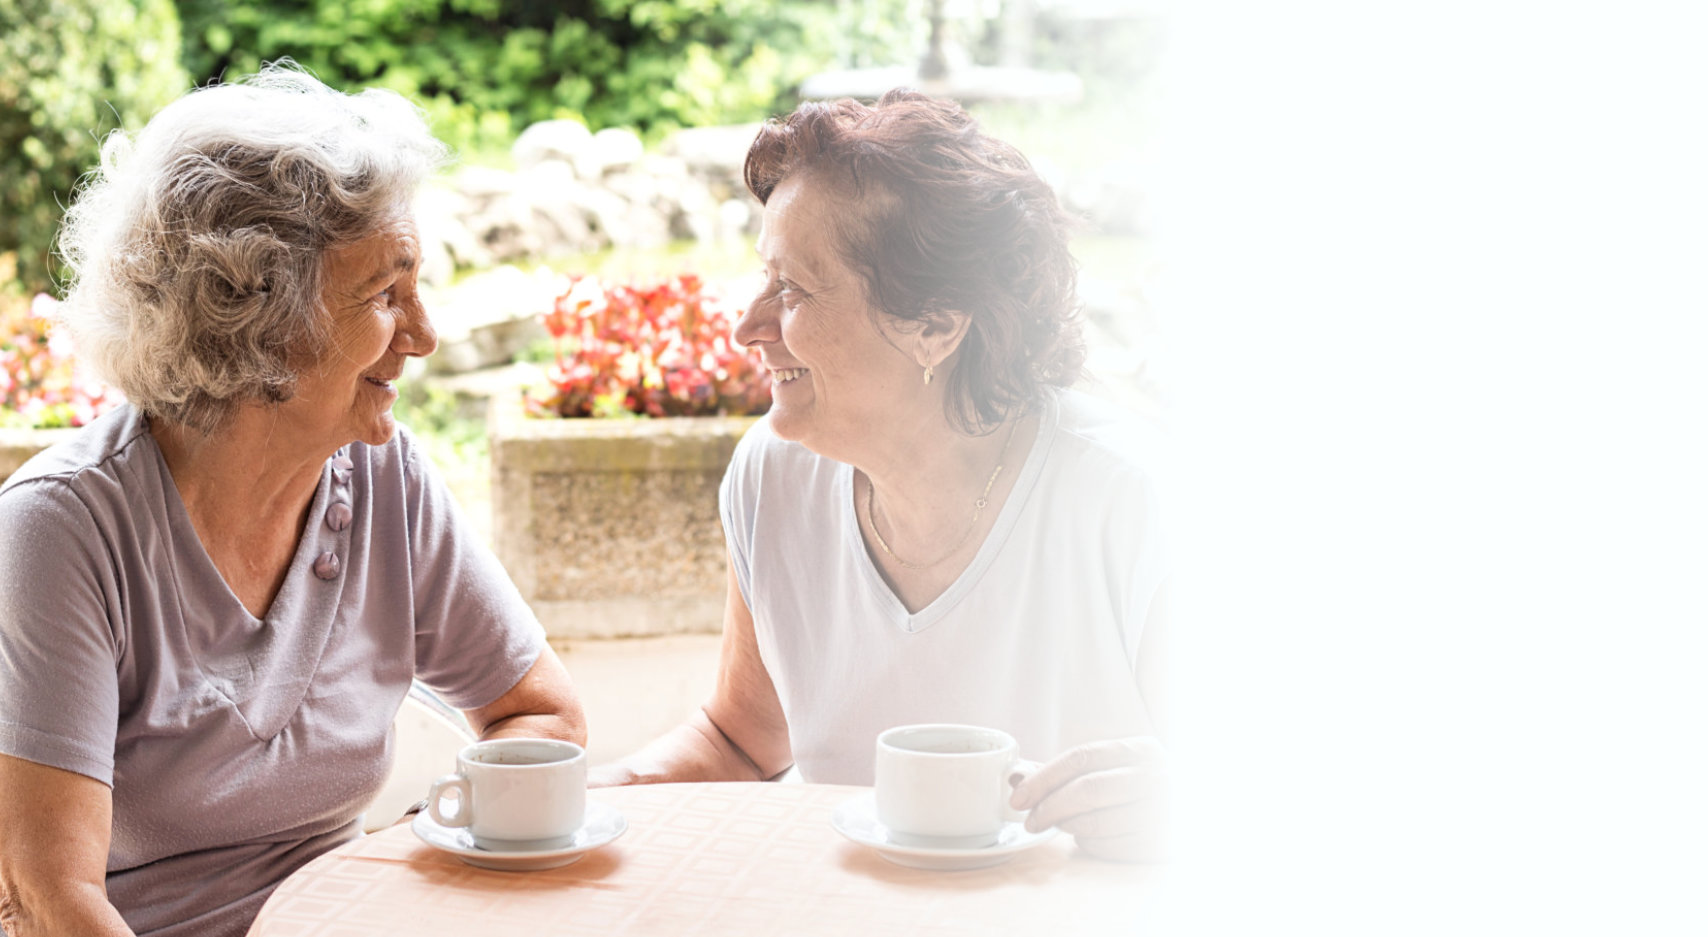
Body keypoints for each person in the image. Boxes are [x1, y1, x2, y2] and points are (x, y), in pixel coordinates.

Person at [0, 65, 585, 937]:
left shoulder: (386, 480)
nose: (423, 336)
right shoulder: (63, 531)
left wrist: (403, 865)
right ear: (257, 319)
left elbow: (541, 714)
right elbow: (55, 899)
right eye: (386, 295)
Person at [593, 90, 1171, 861]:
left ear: (935, 325)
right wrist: (577, 798)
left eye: (792, 289)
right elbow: (740, 741)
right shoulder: (776, 476)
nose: (748, 325)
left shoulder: (1133, 500)